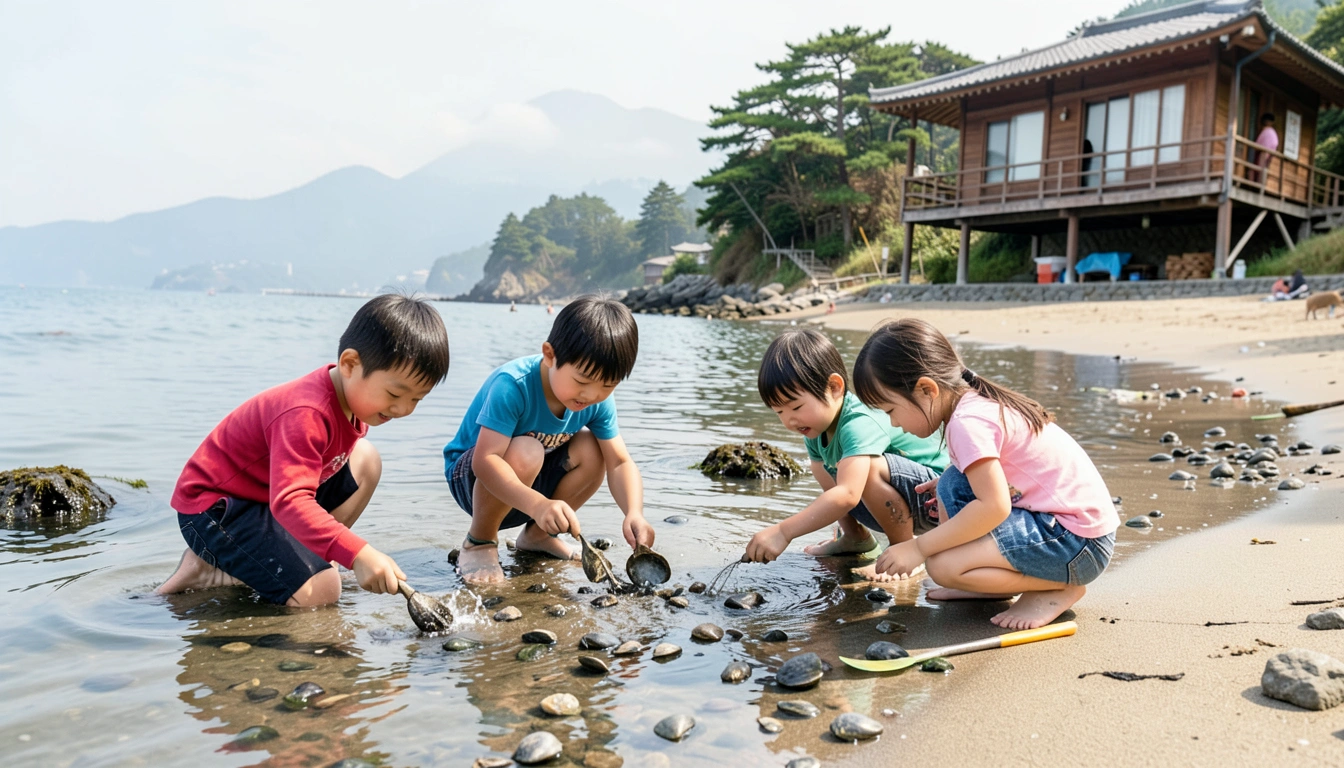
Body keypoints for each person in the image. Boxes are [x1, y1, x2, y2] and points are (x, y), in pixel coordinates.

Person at [157, 294, 451, 606]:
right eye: (395, 393)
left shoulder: (354, 403)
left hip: (264, 498)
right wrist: (357, 552)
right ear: (350, 364)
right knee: (323, 593)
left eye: (417, 399)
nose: (404, 409)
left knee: (366, 461)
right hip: (214, 509)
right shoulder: (306, 412)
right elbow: (290, 501)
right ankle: (213, 565)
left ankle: (301, 562)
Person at [852, 318, 1118, 629]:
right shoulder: (971, 402)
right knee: (952, 483)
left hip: (1078, 544)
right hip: (1070, 528)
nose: (894, 424)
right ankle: (978, 584)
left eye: (890, 411)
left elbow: (995, 506)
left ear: (927, 389)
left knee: (940, 565)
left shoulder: (968, 422)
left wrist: (918, 546)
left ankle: (1058, 589)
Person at [445, 295, 652, 584]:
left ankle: (537, 537)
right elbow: (485, 460)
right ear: (549, 355)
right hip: (472, 478)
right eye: (581, 382)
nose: (591, 396)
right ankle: (480, 540)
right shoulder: (513, 386)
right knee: (528, 448)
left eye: (607, 385)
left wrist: (634, 512)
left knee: (594, 450)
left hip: (529, 480)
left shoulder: (596, 400)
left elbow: (619, 461)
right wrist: (538, 505)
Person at [743, 328, 949, 582]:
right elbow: (835, 491)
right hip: (902, 503)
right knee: (826, 469)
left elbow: (849, 494)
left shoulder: (858, 421)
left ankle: (904, 550)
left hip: (937, 499)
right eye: (779, 412)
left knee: (866, 469)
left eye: (796, 406)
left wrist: (784, 531)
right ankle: (856, 538)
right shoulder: (816, 428)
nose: (790, 420)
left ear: (834, 387)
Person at [1250, 113, 1278, 184]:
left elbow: (1257, 146)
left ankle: (1255, 184)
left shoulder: (1266, 132)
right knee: (1263, 171)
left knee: (1259, 171)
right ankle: (1260, 184)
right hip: (1269, 156)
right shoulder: (1273, 133)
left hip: (1263, 154)